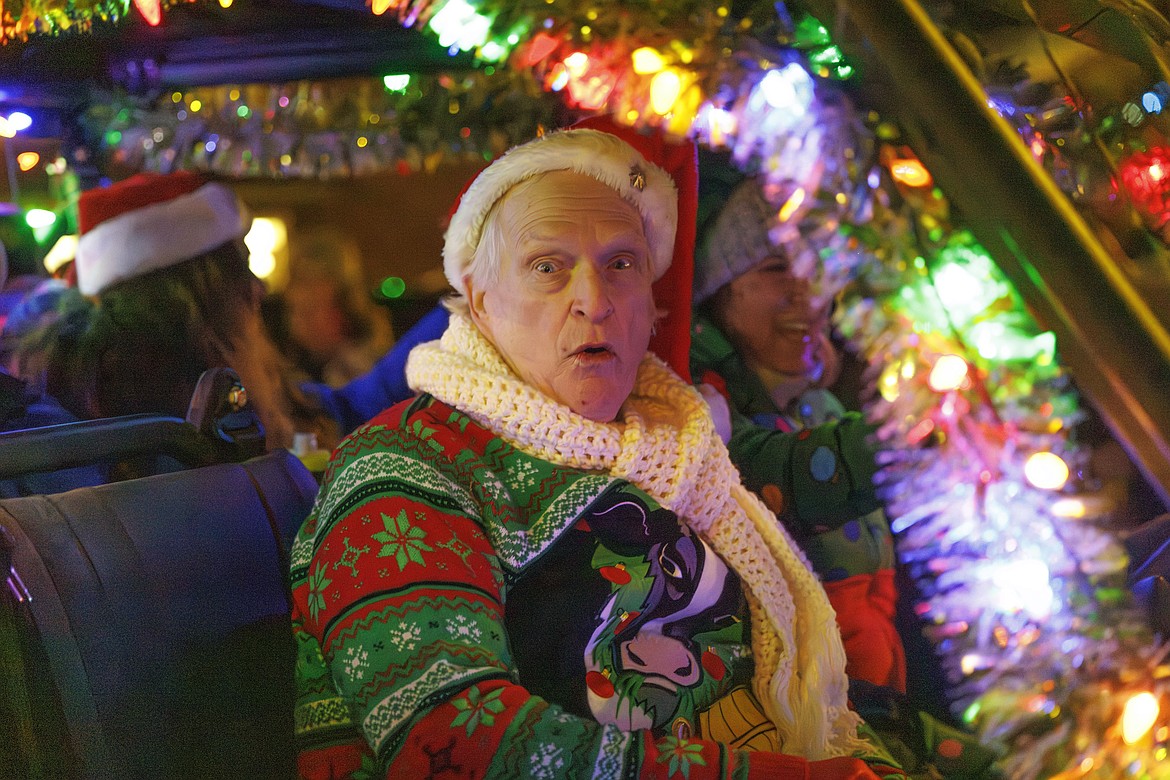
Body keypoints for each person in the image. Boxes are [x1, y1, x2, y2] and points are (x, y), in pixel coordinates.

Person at [289, 128, 912, 779]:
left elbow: (796, 497)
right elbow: (452, 743)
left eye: (621, 265)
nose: (594, 300)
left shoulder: (679, 445)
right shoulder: (406, 467)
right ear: (481, 301)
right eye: (547, 267)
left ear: (652, 307)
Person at [689, 170, 907, 694]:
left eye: (817, 264)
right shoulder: (708, 414)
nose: (807, 289)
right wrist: (903, 438)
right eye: (776, 267)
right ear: (720, 294)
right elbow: (778, 475)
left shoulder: (824, 405)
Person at [7, 170, 339, 454]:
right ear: (193, 295)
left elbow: (327, 404)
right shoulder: (161, 413)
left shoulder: (103, 392)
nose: (260, 288)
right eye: (242, 268)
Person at [278, 228, 395, 388]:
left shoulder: (364, 373)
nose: (293, 295)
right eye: (294, 313)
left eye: (309, 312)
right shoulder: (295, 372)